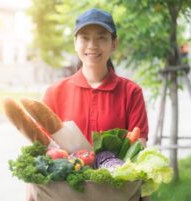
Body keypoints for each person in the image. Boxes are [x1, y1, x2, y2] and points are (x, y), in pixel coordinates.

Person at [27, 8, 149, 201]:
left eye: (101, 37)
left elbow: (138, 153)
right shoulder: (55, 92)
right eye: (85, 37)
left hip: (115, 195)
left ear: (114, 43)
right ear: (75, 43)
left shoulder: (131, 92)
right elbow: (39, 151)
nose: (92, 45)